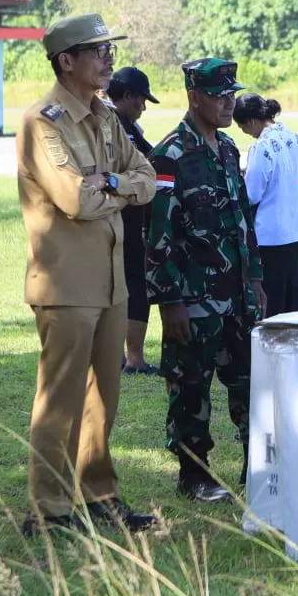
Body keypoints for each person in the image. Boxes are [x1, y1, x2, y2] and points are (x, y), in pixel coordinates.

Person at [17, 15, 159, 536]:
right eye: (95, 50)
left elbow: (147, 177)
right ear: (66, 60)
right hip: (66, 282)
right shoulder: (44, 121)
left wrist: (113, 180)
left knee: (106, 397)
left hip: (110, 279)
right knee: (62, 401)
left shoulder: (104, 116)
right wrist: (114, 189)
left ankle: (100, 497)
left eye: (108, 48)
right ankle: (51, 511)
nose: (108, 58)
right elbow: (74, 197)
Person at [148, 58, 266, 504]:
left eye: (231, 94)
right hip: (194, 300)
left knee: (250, 383)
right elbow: (157, 234)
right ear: (194, 97)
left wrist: (255, 278)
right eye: (218, 95)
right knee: (190, 388)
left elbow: (242, 221)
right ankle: (194, 474)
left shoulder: (230, 150)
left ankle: (257, 466)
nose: (227, 103)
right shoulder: (170, 154)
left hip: (237, 296)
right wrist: (170, 301)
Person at [233, 93, 298, 318]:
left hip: (270, 232)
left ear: (251, 121)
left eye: (242, 127)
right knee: (291, 292)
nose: (246, 132)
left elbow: (252, 193)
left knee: (271, 298)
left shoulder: (263, 147)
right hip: (295, 226)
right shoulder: (296, 139)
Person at [107, 66, 161, 376]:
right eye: (141, 100)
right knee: (135, 283)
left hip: (118, 214)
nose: (143, 106)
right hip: (127, 215)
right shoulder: (120, 126)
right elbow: (147, 161)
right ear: (127, 96)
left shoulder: (116, 122)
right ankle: (135, 357)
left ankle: (118, 353)